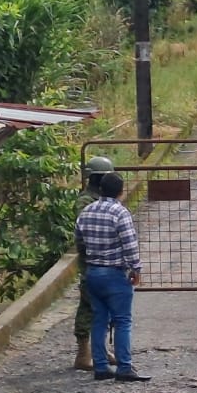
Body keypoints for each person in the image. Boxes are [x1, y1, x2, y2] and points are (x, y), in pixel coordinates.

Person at [75, 172, 149, 382]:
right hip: (115, 273)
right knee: (122, 320)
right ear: (120, 191)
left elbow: (79, 239)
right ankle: (124, 367)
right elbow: (130, 243)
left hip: (93, 272)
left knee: (99, 319)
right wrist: (136, 269)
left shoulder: (87, 211)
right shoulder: (120, 212)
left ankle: (100, 366)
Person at [71, 155, 116, 371]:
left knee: (102, 307)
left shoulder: (99, 199)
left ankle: (98, 350)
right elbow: (86, 234)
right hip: (92, 262)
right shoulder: (85, 202)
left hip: (101, 261)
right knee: (89, 307)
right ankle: (84, 353)